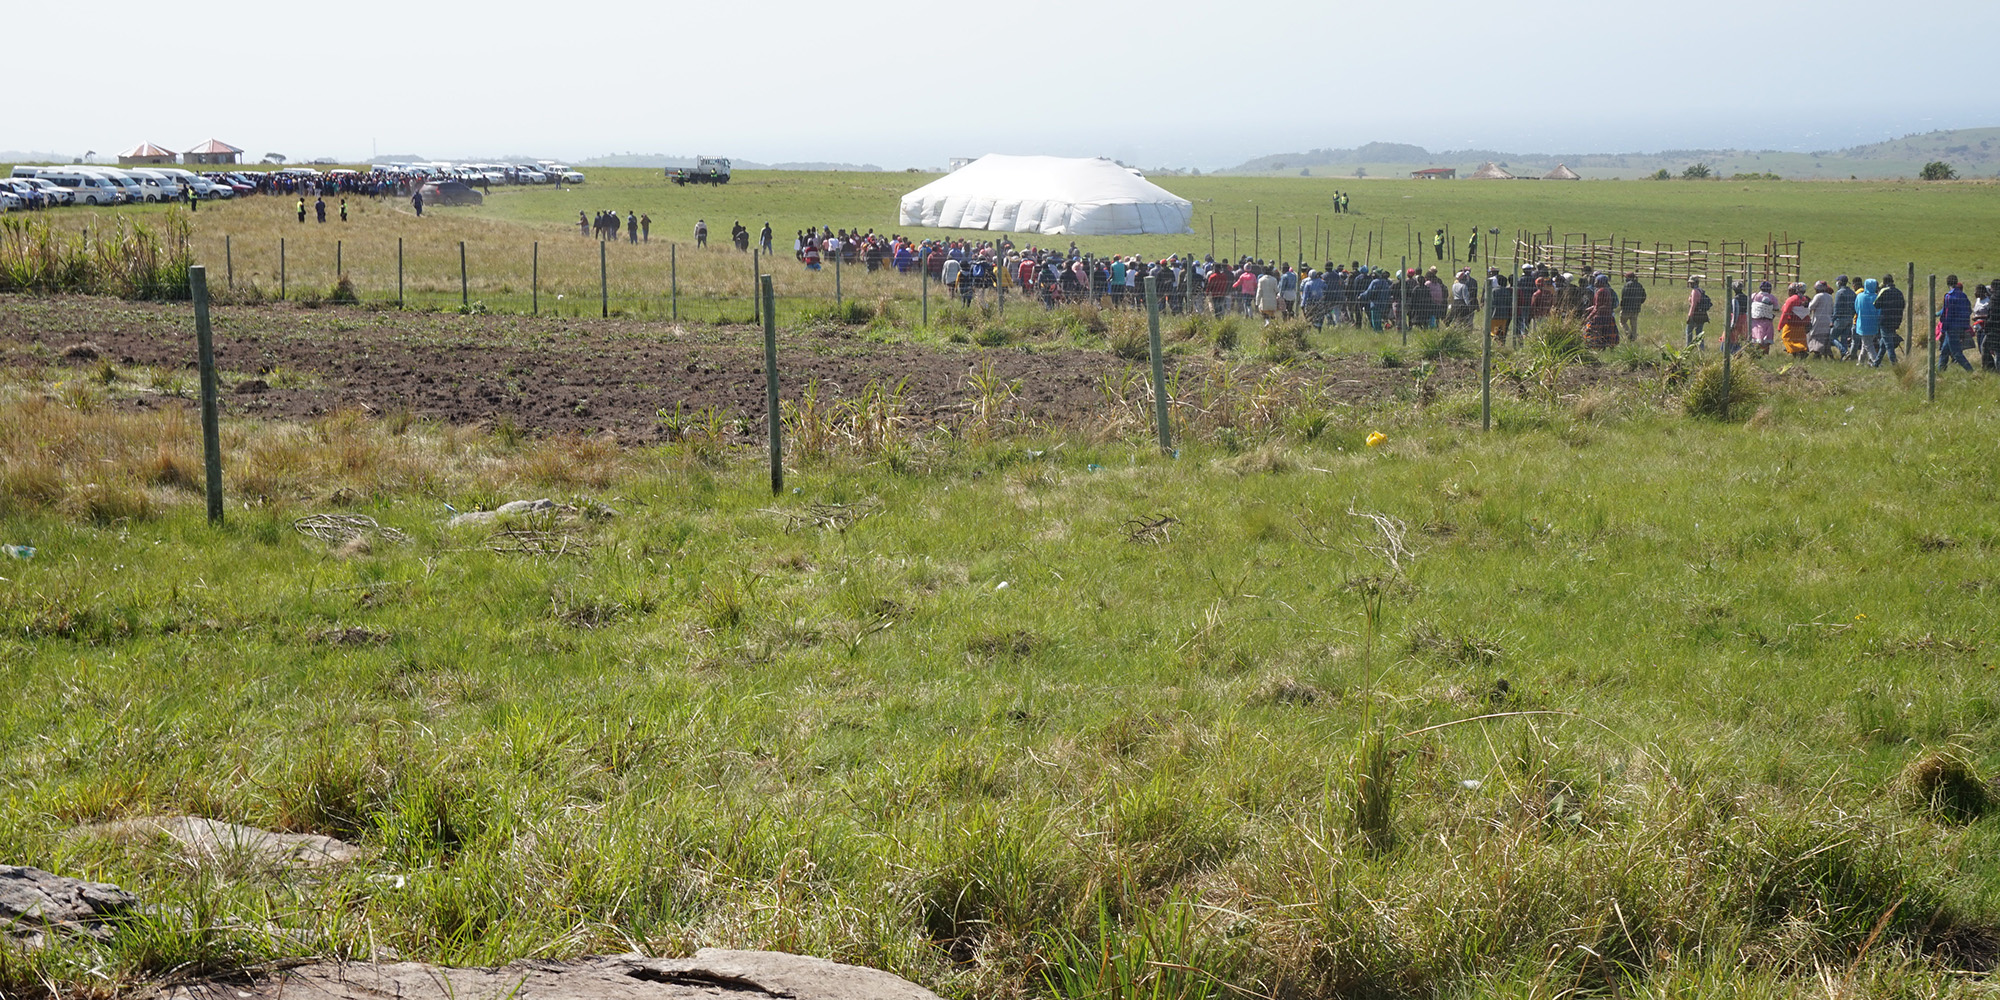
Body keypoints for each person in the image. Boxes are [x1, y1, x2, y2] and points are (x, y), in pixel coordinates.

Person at [1937, 275, 1974, 372]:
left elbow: (1947, 314)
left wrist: (1943, 330)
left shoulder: (1949, 296)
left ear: (1947, 283)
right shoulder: (1963, 295)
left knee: (1956, 352)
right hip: (1961, 326)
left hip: (1951, 327)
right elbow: (1969, 310)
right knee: (1944, 350)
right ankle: (1940, 371)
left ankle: (1970, 371)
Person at [1853, 277, 1884, 367]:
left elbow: (1856, 309)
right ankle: (1860, 362)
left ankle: (1876, 362)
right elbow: (1879, 311)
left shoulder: (1860, 296)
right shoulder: (1876, 297)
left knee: (1868, 345)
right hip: (1874, 324)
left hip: (1862, 324)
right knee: (1865, 344)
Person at [1875, 274, 1906, 363]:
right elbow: (1903, 305)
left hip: (1885, 320)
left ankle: (1894, 364)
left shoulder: (1884, 291)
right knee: (1883, 343)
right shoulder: (1899, 292)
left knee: (1888, 345)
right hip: (1896, 320)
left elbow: (1876, 304)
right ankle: (1876, 363)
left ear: (1884, 282)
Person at [1584, 274, 1620, 348]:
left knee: (1590, 332)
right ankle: (1605, 346)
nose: (1595, 283)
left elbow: (1597, 307)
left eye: (1597, 281)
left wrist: (1589, 317)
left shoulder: (1600, 291)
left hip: (1600, 317)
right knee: (1605, 333)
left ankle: (1595, 346)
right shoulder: (1606, 290)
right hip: (1607, 315)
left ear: (1601, 282)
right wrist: (1591, 308)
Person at [1748, 281, 1779, 355]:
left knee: (1756, 339)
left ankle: (1755, 354)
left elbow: (1749, 304)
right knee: (1766, 341)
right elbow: (1776, 308)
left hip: (1755, 321)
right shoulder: (1772, 298)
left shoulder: (1754, 296)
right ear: (1769, 289)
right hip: (1768, 321)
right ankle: (1765, 354)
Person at [1807, 281, 1835, 358]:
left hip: (1818, 320)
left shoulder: (1818, 296)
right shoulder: (1829, 297)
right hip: (1827, 320)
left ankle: (1817, 353)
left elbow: (1811, 307)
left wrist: (1809, 302)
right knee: (1825, 338)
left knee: (1817, 338)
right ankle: (1827, 355)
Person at [1831, 276, 1857, 360]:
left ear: (1840, 282)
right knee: (1844, 338)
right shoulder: (1852, 293)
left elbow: (1837, 307)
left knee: (1832, 337)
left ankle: (1844, 352)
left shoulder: (1840, 293)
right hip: (1849, 318)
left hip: (1840, 319)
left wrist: (1832, 319)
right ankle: (1845, 357)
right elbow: (1854, 307)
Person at [1619, 272, 1646, 341]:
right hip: (1636, 309)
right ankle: (1634, 338)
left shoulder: (1626, 286)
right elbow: (1644, 296)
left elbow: (1623, 297)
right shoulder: (1639, 285)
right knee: (1634, 324)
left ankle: (1628, 333)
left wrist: (1622, 306)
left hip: (1626, 308)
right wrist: (1639, 303)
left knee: (1622, 322)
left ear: (1628, 278)